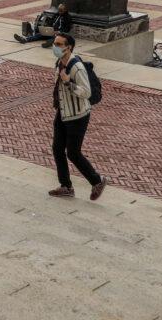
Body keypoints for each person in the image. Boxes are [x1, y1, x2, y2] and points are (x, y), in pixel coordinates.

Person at [48, 34, 106, 200]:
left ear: (69, 47)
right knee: (57, 148)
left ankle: (97, 181)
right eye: (55, 43)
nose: (55, 47)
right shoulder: (60, 63)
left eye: (59, 44)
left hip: (78, 116)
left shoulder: (77, 67)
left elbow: (86, 92)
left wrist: (68, 82)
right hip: (63, 113)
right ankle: (66, 186)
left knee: (73, 152)